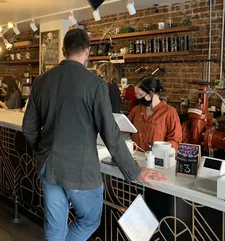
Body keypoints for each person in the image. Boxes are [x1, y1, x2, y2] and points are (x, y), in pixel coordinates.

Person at [22, 29, 166, 241]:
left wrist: (42, 150)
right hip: (79, 170)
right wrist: (135, 171)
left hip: (49, 165)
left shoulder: (42, 81)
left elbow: (28, 127)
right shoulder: (95, 84)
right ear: (88, 51)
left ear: (63, 50)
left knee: (55, 227)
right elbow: (111, 133)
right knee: (89, 220)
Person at [128, 76, 183, 152]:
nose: (138, 98)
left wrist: (161, 150)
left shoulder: (169, 112)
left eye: (140, 95)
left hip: (157, 159)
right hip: (136, 156)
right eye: (136, 94)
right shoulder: (136, 110)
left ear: (152, 92)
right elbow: (124, 128)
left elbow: (175, 139)